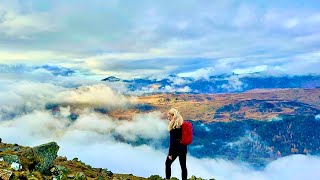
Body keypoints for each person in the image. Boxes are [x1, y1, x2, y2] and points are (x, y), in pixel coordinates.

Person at [165, 108, 188, 180]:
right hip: (183, 148)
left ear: (173, 116)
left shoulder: (173, 128)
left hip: (175, 149)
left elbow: (172, 143)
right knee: (183, 166)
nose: (168, 118)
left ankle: (168, 179)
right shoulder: (182, 126)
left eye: (169, 116)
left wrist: (170, 154)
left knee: (167, 163)